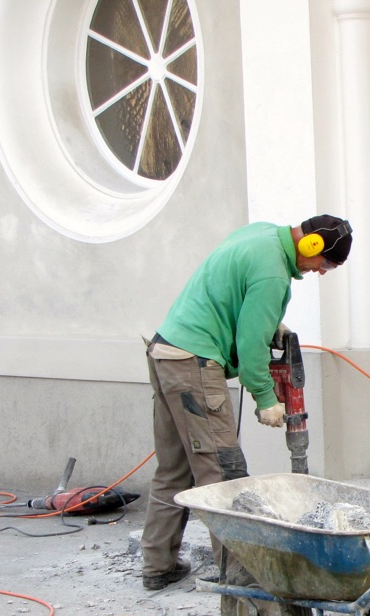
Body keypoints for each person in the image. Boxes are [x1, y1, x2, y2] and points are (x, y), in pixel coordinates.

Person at [140, 215, 353, 589]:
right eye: (326, 264)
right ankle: (241, 576)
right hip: (194, 363)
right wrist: (266, 397)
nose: (321, 271)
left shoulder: (261, 235)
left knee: (174, 469)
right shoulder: (273, 275)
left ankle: (158, 566)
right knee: (224, 473)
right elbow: (251, 346)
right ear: (312, 245)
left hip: (166, 352)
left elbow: (234, 292)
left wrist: (268, 322)